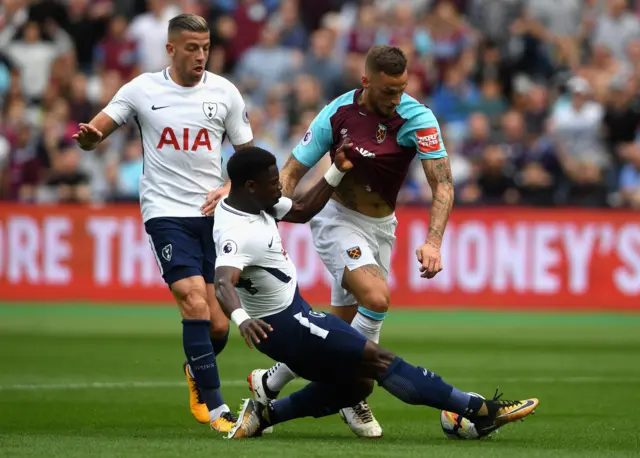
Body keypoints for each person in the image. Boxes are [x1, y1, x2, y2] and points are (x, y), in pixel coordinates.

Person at [211, 145, 539, 440]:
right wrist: (241, 319)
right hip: (288, 326)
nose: (280, 187)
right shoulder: (239, 232)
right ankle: (480, 410)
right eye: (273, 183)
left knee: (358, 385)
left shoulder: (252, 203)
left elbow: (301, 210)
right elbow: (224, 280)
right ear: (250, 187)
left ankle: (264, 414)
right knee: (380, 361)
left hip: (292, 316)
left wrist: (336, 170)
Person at [247, 44, 454, 437]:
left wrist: (433, 242)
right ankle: (351, 394)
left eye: (402, 89)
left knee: (338, 331)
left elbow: (442, 182)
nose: (396, 99)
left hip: (382, 227)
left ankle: (270, 382)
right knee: (376, 299)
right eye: (388, 91)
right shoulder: (337, 113)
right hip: (336, 218)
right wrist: (270, 218)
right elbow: (292, 170)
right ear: (366, 81)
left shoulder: (418, 118)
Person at [72, 14, 254, 433]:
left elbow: (249, 156)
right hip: (166, 212)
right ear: (170, 49)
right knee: (192, 299)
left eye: (206, 47)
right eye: (192, 48)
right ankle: (218, 410)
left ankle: (195, 370)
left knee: (219, 323)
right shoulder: (142, 89)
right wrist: (90, 137)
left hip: (214, 214)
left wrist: (229, 186)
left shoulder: (224, 92)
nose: (201, 56)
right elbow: (101, 126)